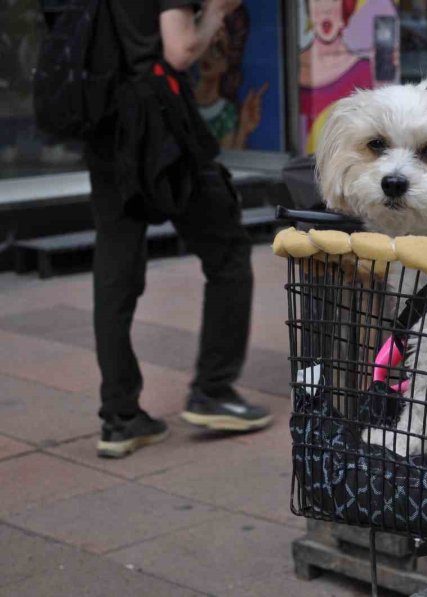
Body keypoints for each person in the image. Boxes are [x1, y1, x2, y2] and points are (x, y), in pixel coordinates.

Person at [87, 0, 271, 459]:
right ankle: (214, 391)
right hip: (160, 124)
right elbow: (180, 49)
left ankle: (120, 417)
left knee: (115, 269)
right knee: (228, 252)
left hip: (104, 126)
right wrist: (215, 12)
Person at [299, 0, 372, 154]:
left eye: (333, 0)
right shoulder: (294, 65)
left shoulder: (363, 69)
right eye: (318, 1)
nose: (326, 10)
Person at [194, 5, 268, 149]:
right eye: (205, 44)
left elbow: (231, 159)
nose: (208, 56)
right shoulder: (183, 97)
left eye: (218, 49)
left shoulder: (226, 114)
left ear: (229, 61)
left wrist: (243, 129)